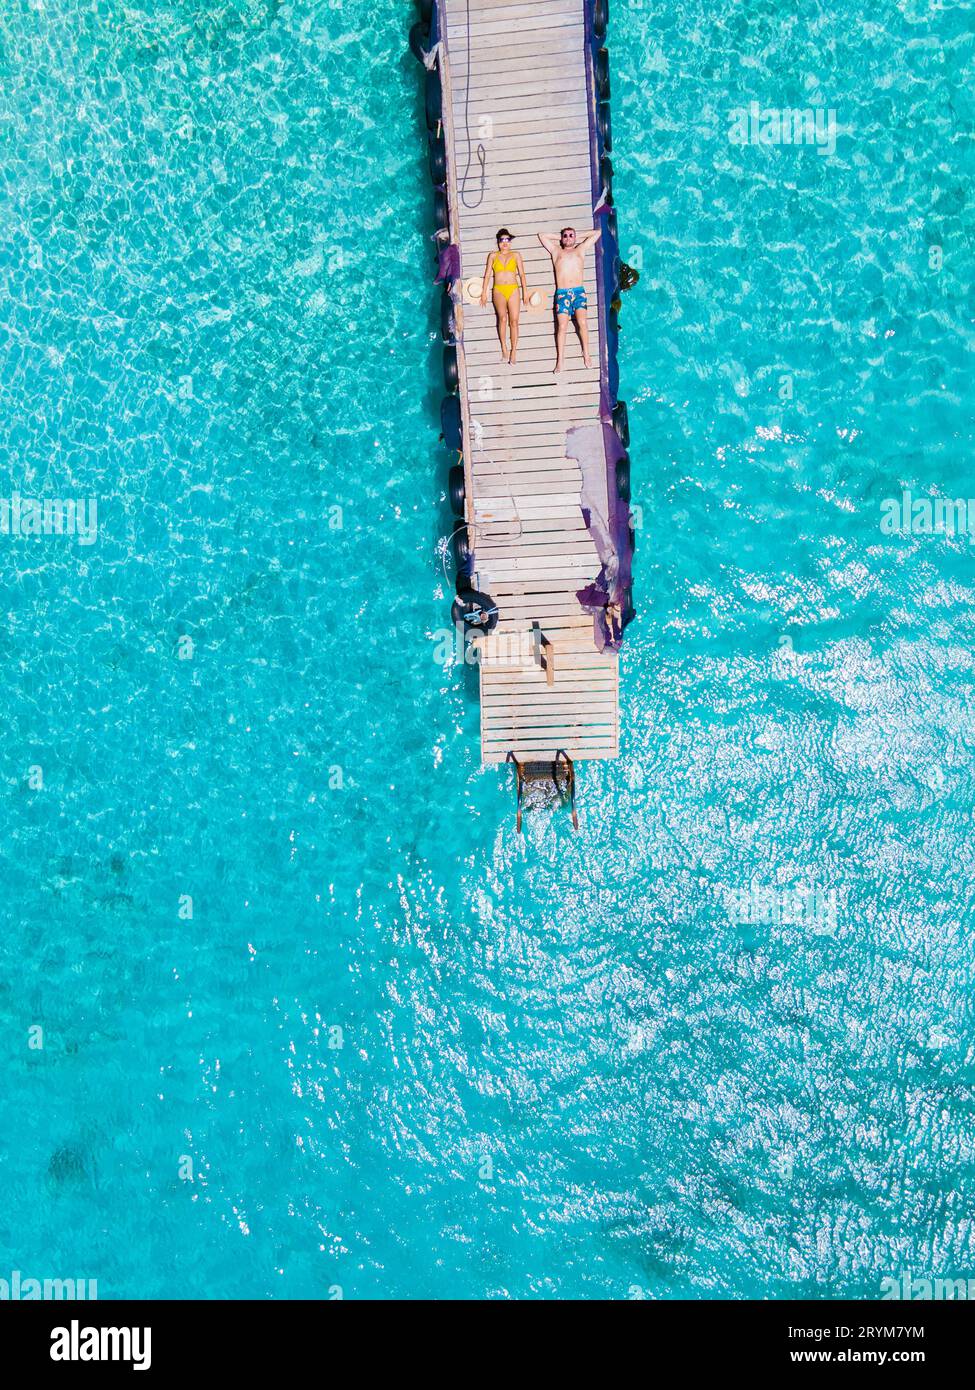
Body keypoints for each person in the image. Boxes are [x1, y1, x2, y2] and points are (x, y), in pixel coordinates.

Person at [537, 226, 601, 372]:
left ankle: (586, 354)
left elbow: (598, 233)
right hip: (562, 293)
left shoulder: (581, 249)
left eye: (570, 235)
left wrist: (579, 236)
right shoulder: (556, 251)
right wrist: (559, 237)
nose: (568, 238)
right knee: (562, 327)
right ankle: (560, 360)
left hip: (579, 292)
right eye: (565, 236)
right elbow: (542, 234)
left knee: (583, 322)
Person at [480, 228, 530, 364]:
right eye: (502, 240)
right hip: (498, 290)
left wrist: (525, 292)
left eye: (507, 240)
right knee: (502, 319)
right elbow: (488, 275)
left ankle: (514, 350)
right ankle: (504, 347)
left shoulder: (516, 255)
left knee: (514, 321)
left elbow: (522, 274)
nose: (505, 243)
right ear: (498, 242)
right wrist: (484, 293)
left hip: (513, 289)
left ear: (510, 242)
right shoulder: (493, 256)